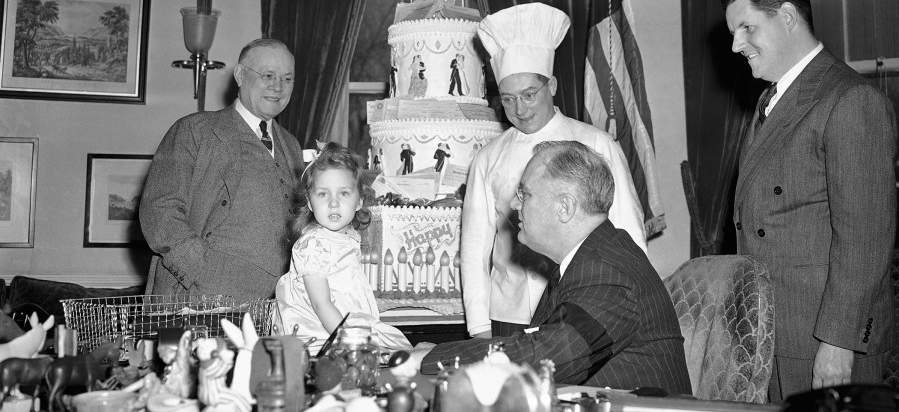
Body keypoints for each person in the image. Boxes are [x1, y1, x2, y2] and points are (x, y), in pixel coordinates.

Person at [723, 0, 896, 401]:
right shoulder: (772, 100)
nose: (735, 44)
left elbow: (866, 241)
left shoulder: (850, 100)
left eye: (746, 27)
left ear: (786, 17)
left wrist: (839, 344)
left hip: (822, 340)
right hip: (772, 334)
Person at [414, 141, 690, 394]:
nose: (513, 203)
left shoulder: (606, 270)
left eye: (525, 194)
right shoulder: (589, 257)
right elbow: (539, 347)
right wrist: (443, 353)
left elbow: (547, 358)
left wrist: (433, 358)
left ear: (565, 207)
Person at [462, 2, 647, 338]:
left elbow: (629, 234)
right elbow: (475, 248)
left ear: (553, 86)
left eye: (529, 94)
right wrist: (478, 327)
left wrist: (635, 309)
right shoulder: (488, 158)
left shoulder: (597, 144)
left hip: (586, 308)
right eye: (507, 98)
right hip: (510, 314)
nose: (519, 108)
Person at [140, 38, 305, 301]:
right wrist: (200, 274)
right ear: (240, 75)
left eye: (287, 79)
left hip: (273, 308)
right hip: (197, 303)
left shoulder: (292, 145)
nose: (278, 86)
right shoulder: (194, 131)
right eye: (268, 75)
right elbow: (159, 209)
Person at [275, 143, 410, 354]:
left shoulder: (346, 238)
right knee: (393, 354)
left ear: (360, 201)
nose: (333, 203)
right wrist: (352, 345)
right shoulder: (313, 244)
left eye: (344, 193)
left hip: (343, 324)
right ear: (310, 202)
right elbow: (321, 305)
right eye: (323, 194)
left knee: (398, 349)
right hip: (321, 336)